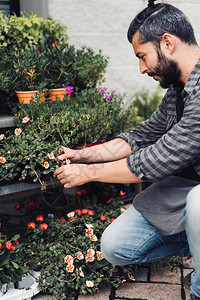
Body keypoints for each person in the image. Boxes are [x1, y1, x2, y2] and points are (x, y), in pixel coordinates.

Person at [54, 1, 200, 299]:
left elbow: (160, 157)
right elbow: (141, 135)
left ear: (167, 43)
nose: (142, 68)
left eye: (142, 56)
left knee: (198, 203)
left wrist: (88, 173)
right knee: (116, 246)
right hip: (187, 186)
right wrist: (82, 154)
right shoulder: (177, 92)